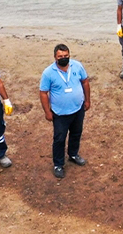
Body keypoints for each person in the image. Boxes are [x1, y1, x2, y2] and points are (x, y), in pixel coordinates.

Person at [39, 44, 91, 179]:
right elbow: (43, 93)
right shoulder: (48, 73)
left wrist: (87, 100)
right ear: (55, 57)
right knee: (59, 139)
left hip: (78, 108)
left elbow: (85, 82)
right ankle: (58, 164)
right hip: (60, 113)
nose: (63, 58)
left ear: (69, 55)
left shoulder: (77, 66)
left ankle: (73, 154)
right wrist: (47, 112)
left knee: (76, 133)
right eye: (60, 57)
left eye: (66, 56)